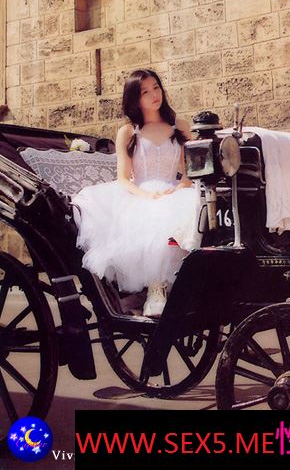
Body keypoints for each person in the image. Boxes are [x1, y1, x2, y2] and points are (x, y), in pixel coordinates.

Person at [72, 69, 199, 317]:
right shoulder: (129, 132)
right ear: (135, 98)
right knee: (155, 216)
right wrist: (146, 195)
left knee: (196, 211)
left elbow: (191, 170)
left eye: (156, 87)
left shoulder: (179, 125)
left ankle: (186, 286)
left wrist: (180, 187)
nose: (154, 95)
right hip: (141, 191)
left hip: (176, 189)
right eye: (145, 92)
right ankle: (155, 289)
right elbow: (123, 177)